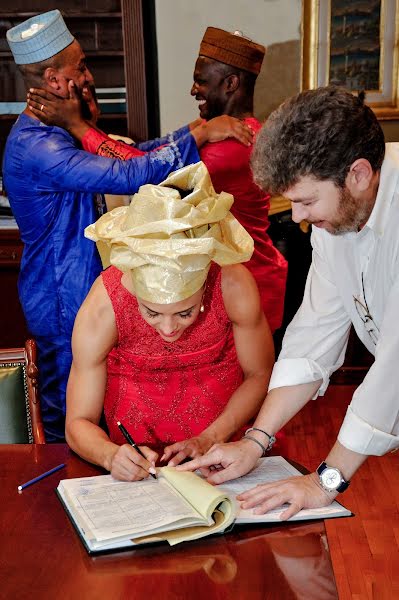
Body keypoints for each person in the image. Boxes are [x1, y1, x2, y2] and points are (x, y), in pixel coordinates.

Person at [3, 10, 253, 441]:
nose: (87, 76)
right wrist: (200, 135)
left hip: (86, 284)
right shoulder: (39, 145)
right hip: (63, 292)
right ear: (54, 79)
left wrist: (197, 130)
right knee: (70, 417)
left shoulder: (60, 132)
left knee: (98, 406)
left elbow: (130, 152)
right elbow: (128, 174)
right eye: (79, 67)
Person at [178, 86, 399, 517]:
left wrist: (324, 481)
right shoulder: (337, 216)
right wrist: (255, 440)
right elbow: (313, 336)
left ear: (357, 174)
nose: (296, 217)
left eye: (306, 201)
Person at [27, 26, 288, 334]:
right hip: (226, 283)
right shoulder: (213, 129)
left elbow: (143, 175)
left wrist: (78, 126)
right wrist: (198, 131)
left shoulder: (234, 144)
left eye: (201, 81)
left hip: (247, 284)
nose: (193, 90)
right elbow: (152, 152)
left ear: (230, 83)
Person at [65, 162, 274, 480]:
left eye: (184, 313)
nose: (168, 329)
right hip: (138, 468)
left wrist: (212, 437)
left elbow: (259, 374)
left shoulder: (233, 285)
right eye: (151, 313)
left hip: (224, 454)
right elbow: (78, 421)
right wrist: (109, 456)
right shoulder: (103, 305)